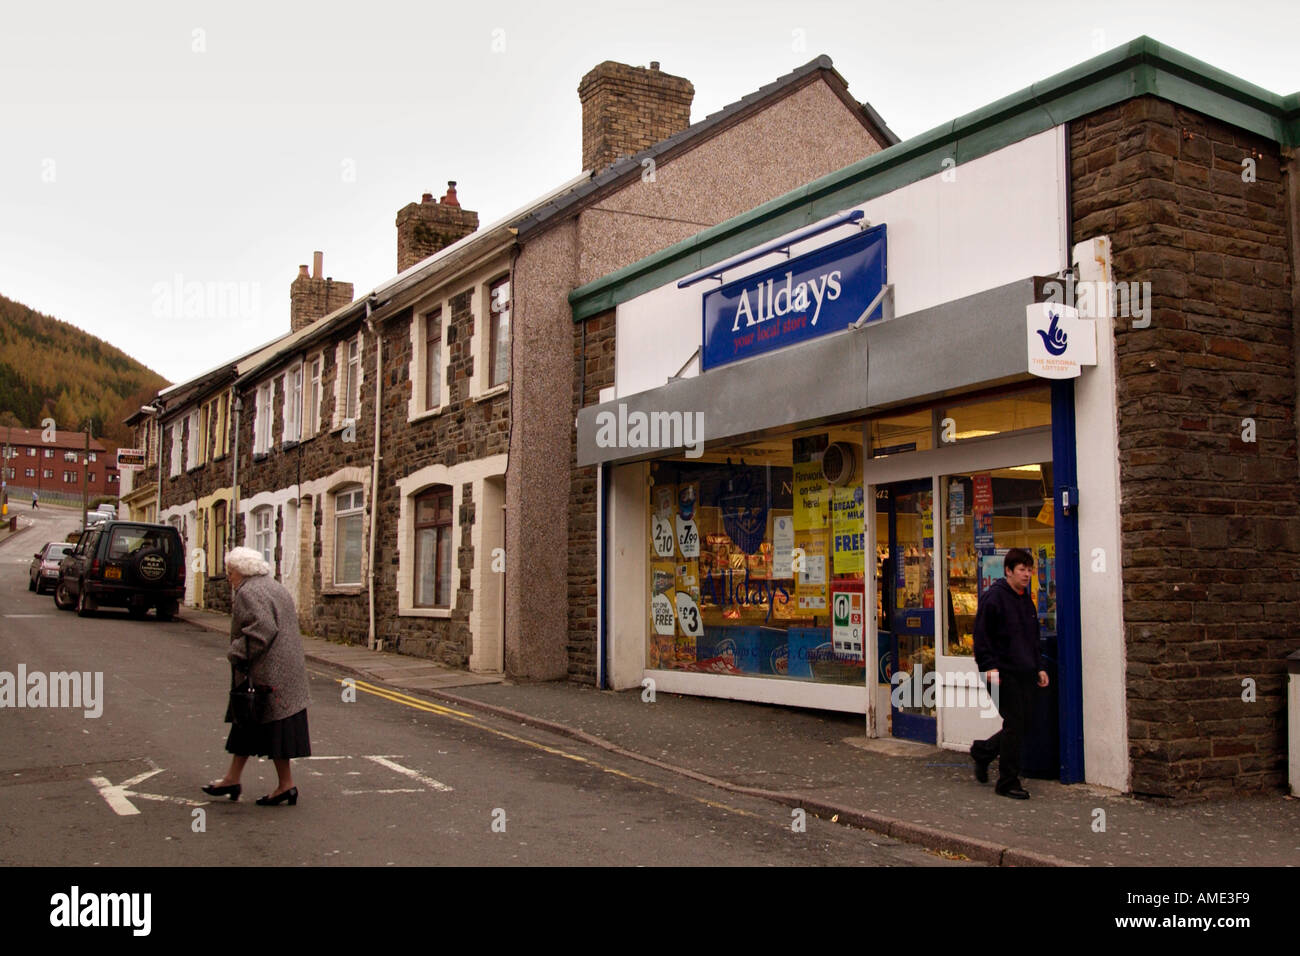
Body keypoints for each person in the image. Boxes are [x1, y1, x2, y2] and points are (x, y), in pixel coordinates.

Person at [202, 547, 311, 806]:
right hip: (286, 671)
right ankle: (235, 779)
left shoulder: (248, 592)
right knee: (252, 725)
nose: (229, 578)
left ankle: (284, 785)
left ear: (241, 572)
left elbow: (263, 627)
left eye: (230, 573)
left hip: (268, 673)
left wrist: (236, 652)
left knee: (259, 723)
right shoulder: (273, 586)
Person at [969, 548, 1048, 800]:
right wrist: (989, 667)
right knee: (1015, 723)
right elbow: (982, 637)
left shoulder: (1026, 600)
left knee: (1023, 723)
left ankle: (983, 751)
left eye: (1029, 569)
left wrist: (1039, 667)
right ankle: (1007, 781)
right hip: (1000, 672)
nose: (1027, 575)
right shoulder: (993, 598)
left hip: (1025, 670)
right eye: (1022, 570)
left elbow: (1032, 638)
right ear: (1008, 571)